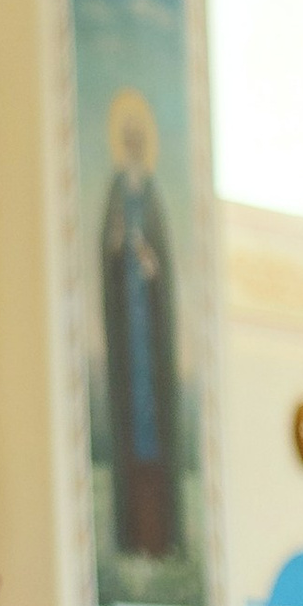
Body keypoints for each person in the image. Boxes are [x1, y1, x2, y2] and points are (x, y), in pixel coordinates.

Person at [99, 88, 181, 561]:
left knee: (155, 431)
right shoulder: (115, 191)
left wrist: (150, 264)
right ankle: (131, 534)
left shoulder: (151, 194)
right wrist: (116, 249)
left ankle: (161, 535)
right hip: (125, 340)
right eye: (125, 136)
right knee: (130, 430)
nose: (130, 144)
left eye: (136, 137)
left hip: (149, 335)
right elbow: (106, 251)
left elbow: (163, 262)